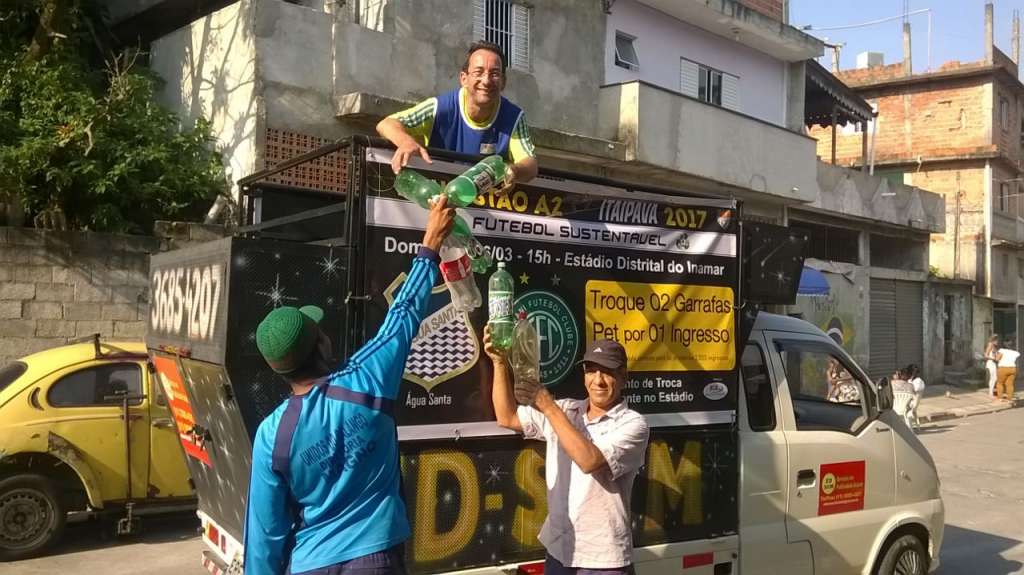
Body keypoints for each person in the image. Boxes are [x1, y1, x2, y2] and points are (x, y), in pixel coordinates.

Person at [243, 197, 455, 575]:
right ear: (321, 345)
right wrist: (431, 245)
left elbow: (264, 535)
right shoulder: (366, 382)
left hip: (309, 563)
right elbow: (402, 316)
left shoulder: (271, 435)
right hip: (376, 559)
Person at [485, 333, 649, 574]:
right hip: (560, 551)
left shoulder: (633, 424)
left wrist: (548, 406)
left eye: (608, 372)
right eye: (591, 371)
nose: (598, 380)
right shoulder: (567, 409)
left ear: (624, 376)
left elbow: (589, 461)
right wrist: (499, 363)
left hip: (603, 561)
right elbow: (506, 417)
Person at [376, 41, 539, 185]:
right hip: (438, 199)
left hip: (486, 205)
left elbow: (530, 164)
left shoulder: (514, 117)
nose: (486, 81)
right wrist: (406, 142)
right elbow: (386, 124)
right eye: (478, 72)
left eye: (494, 74)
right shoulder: (440, 108)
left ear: (503, 82)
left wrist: (513, 171)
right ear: (464, 78)